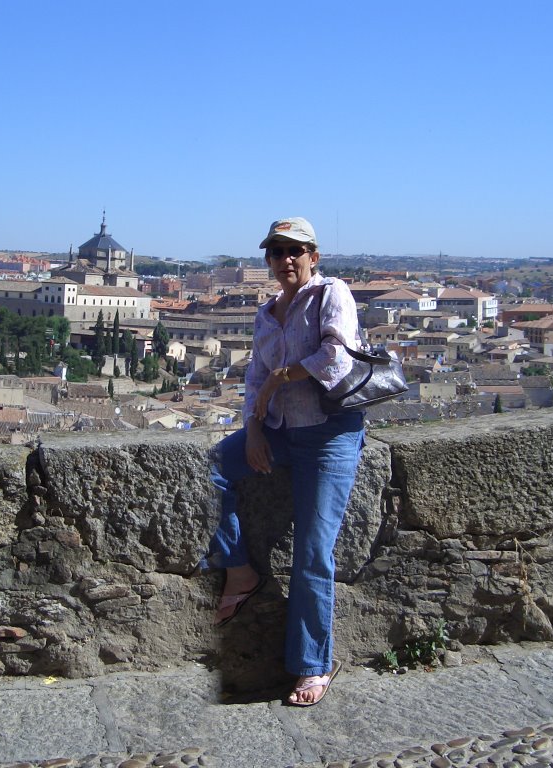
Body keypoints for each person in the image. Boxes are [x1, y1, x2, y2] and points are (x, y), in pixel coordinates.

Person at [206, 216, 365, 707]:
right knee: (210, 470)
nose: (286, 259)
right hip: (277, 432)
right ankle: (240, 571)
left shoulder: (331, 294)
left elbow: (336, 358)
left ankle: (312, 666)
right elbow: (254, 378)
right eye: (276, 251)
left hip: (328, 435)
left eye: (295, 250)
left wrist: (281, 378)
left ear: (314, 257)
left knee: (312, 552)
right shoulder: (265, 313)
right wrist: (253, 427)